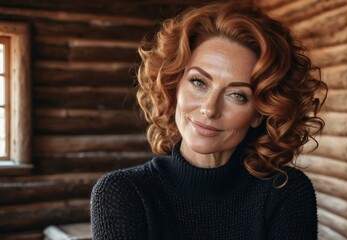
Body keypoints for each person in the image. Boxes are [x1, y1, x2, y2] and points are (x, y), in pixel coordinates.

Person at [91, 1, 327, 239]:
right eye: (199, 82)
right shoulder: (122, 193)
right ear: (174, 85)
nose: (209, 109)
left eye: (237, 95)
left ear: (259, 113)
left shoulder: (285, 193)